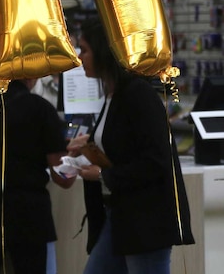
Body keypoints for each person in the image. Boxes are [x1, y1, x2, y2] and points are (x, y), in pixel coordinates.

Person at [68, 16, 194, 274]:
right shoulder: (113, 94)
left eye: (85, 49)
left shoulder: (138, 95)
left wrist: (104, 175)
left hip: (146, 220)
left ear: (103, 52)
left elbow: (156, 160)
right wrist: (89, 145)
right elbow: (122, 143)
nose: (80, 57)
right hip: (122, 216)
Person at [0, 69, 74, 274]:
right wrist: (74, 154)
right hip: (26, 219)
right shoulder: (39, 108)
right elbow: (63, 177)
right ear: (30, 72)